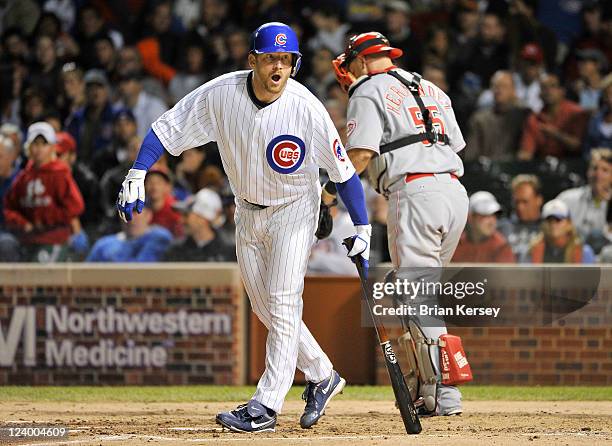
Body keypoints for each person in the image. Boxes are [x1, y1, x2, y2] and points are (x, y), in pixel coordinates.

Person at [116, 22, 370, 432]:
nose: (278, 67)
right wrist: (138, 171)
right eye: (271, 58)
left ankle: (265, 406)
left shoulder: (306, 107)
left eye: (286, 60)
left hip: (295, 208)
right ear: (253, 60)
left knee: (284, 299)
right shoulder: (221, 94)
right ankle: (323, 374)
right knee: (264, 305)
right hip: (247, 210)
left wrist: (362, 226)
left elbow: (343, 172)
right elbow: (166, 128)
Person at [330, 31, 470, 416]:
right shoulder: (431, 88)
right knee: (415, 293)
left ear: (359, 60)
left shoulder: (367, 89)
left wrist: (327, 195)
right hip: (455, 193)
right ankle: (428, 392)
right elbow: (454, 144)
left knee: (416, 293)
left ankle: (444, 394)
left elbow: (358, 155)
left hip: (415, 193)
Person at [4, 122, 84, 262]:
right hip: (27, 240)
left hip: (53, 239)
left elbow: (75, 206)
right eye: (35, 144)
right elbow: (9, 207)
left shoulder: (60, 174)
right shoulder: (23, 177)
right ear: (28, 147)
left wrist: (46, 219)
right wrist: (23, 223)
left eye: (44, 144)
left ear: (52, 147)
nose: (39, 149)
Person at [518, 73, 589, 160]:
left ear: (562, 91)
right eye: (544, 87)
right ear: (539, 94)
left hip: (573, 165)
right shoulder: (533, 119)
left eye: (552, 86)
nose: (548, 90)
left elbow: (578, 146)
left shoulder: (577, 113)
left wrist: (556, 134)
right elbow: (527, 151)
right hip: (544, 168)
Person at [466, 70, 530, 160]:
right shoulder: (479, 120)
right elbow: (470, 155)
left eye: (504, 86)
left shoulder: (525, 116)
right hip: (486, 170)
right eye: (495, 86)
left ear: (514, 90)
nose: (499, 90)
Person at [556, 148, 611, 248]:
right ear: (587, 172)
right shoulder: (566, 199)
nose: (598, 174)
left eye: (605, 170)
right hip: (573, 257)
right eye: (594, 168)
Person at [164, 188, 236, 262]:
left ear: (203, 218)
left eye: (186, 215)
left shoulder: (229, 251)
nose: (181, 220)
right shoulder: (175, 250)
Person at [87, 203, 172, 262]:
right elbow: (84, 276)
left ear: (148, 215)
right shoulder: (103, 245)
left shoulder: (159, 237)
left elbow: (141, 271)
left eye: (135, 212)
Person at [453, 191, 516, 263]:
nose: (491, 221)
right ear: (470, 217)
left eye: (494, 214)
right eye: (485, 215)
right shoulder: (454, 244)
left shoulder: (501, 247)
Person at [528, 199, 595, 263]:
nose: (553, 224)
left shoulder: (583, 252)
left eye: (558, 220)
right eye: (549, 220)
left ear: (569, 223)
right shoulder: (532, 250)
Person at [499, 174, 544, 262]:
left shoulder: (549, 228)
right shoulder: (502, 228)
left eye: (525, 202)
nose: (520, 207)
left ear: (539, 200)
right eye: (517, 202)